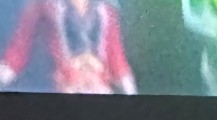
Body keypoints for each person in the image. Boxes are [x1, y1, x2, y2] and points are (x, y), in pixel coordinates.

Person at [0, 0, 136, 93]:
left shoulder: (106, 7)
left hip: (99, 86)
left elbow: (115, 53)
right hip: (65, 86)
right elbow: (19, 48)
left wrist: (131, 92)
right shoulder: (44, 4)